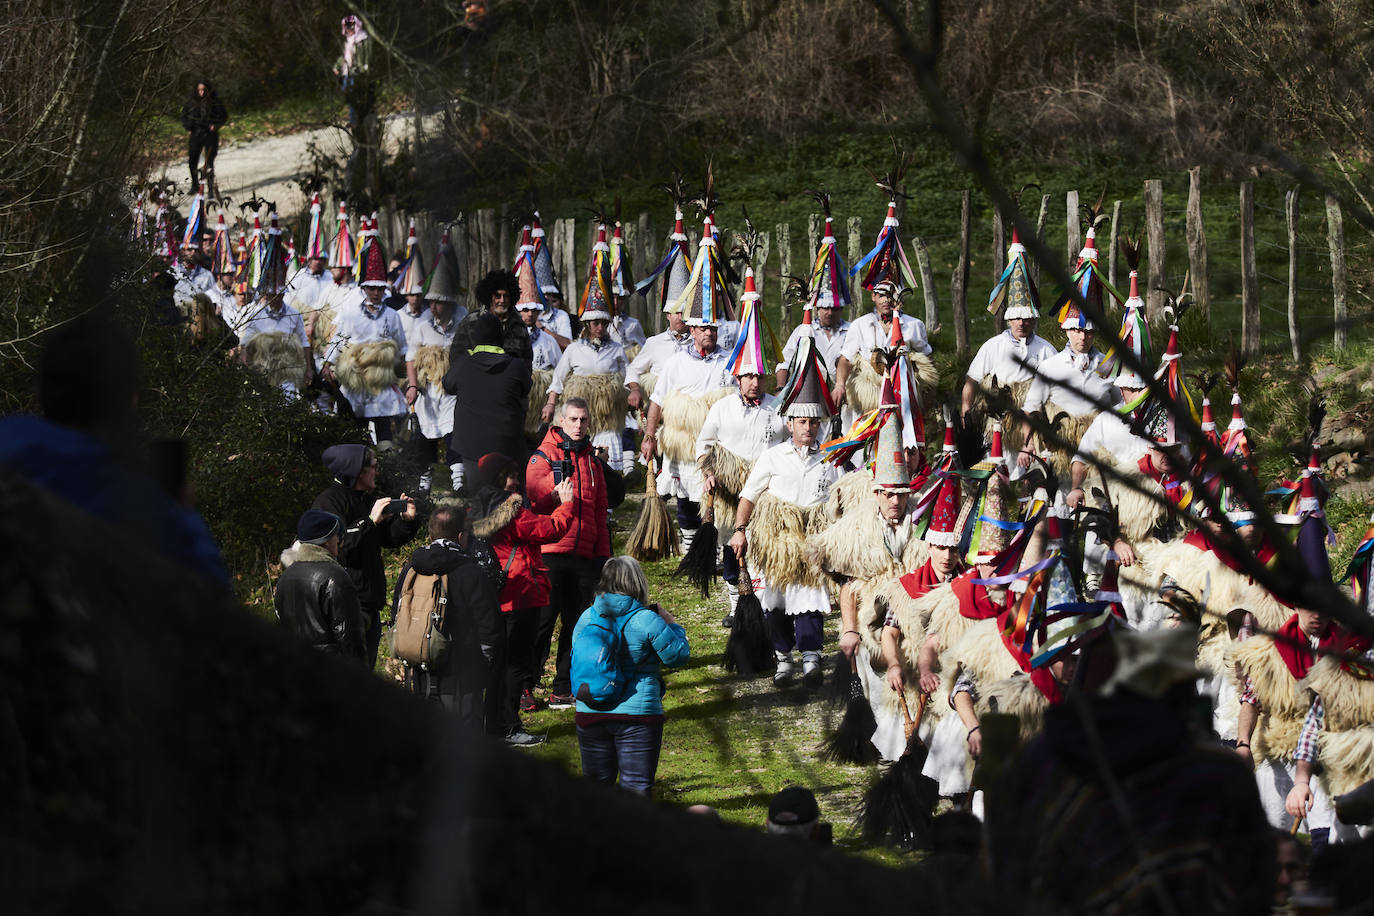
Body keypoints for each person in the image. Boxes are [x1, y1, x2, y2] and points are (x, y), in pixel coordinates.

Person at [0, 315, 230, 591]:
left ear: (38, 394)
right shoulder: (143, 506)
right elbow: (214, 598)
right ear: (130, 401)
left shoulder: (10, 447)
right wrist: (185, 513)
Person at [729, 330, 838, 690]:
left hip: (812, 539)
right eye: (801, 422)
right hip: (777, 541)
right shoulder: (773, 456)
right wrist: (740, 529)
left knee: (809, 598)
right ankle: (783, 659)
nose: (808, 428)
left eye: (813, 422)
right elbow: (749, 494)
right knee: (774, 600)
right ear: (789, 423)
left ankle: (811, 658)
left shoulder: (831, 458)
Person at [468, 453, 576, 743]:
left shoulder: (477, 506)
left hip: (495, 595)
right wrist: (566, 505)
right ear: (499, 477)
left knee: (497, 664)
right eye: (511, 475)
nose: (516, 481)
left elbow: (527, 518)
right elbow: (550, 529)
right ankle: (510, 727)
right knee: (516, 664)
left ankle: (492, 726)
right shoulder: (510, 508)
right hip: (521, 593)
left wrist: (549, 501)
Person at [695, 284, 787, 623]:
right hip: (728, 493)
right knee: (731, 549)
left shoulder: (778, 410)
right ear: (737, 376)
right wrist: (708, 473)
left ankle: (761, 603)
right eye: (747, 375)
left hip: (764, 494)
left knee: (762, 548)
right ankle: (736, 605)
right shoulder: (721, 409)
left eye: (759, 375)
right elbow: (703, 445)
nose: (753, 381)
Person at [571, 556, 689, 796]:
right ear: (637, 582)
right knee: (636, 789)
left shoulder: (587, 617)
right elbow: (678, 657)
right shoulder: (647, 619)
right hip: (637, 715)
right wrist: (673, 625)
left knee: (595, 791)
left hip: (590, 710)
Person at [525, 398, 611, 708]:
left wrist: (602, 556)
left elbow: (600, 511)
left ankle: (563, 688)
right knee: (541, 624)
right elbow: (533, 495)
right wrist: (556, 483)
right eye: (573, 419)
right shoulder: (544, 454)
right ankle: (524, 685)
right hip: (550, 551)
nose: (578, 425)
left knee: (576, 627)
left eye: (583, 420)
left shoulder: (592, 461)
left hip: (584, 556)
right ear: (561, 420)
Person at [391, 505, 500, 728]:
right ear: (461, 536)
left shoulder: (410, 569)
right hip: (462, 679)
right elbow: (490, 628)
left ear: (431, 534)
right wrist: (483, 668)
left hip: (417, 674)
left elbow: (397, 613)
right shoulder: (470, 572)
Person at [312, 444, 420, 666]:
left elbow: (389, 539)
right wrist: (369, 521)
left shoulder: (365, 499)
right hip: (346, 607)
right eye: (373, 466)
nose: (377, 472)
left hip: (371, 605)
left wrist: (405, 522)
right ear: (357, 471)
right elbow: (335, 546)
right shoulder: (329, 501)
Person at [321, 220, 416, 447]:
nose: (375, 292)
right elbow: (337, 339)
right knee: (356, 434)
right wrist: (326, 364)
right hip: (356, 382)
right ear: (363, 288)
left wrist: (411, 382)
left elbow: (404, 349)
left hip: (382, 382)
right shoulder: (351, 313)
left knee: (384, 433)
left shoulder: (392, 316)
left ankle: (384, 473)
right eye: (371, 288)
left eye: (380, 288)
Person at [542, 240, 630, 471]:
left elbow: (628, 376)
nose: (599, 327)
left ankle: (608, 499)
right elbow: (559, 379)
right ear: (587, 325)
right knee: (580, 455)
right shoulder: (574, 349)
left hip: (608, 412)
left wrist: (634, 394)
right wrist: (551, 404)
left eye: (603, 323)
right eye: (594, 323)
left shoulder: (616, 349)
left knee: (608, 454)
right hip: (582, 412)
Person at [444, 312, 532, 489]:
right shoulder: (515, 366)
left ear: (475, 338)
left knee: (480, 499)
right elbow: (526, 387)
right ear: (501, 339)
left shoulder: (464, 364)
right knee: (511, 498)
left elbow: (448, 385)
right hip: (508, 444)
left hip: (471, 447)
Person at [274, 509, 365, 663]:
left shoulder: (286, 576)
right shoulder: (335, 576)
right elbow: (348, 636)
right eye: (336, 534)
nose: (339, 540)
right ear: (325, 540)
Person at [407, 295, 461, 494]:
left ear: (448, 303)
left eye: (437, 303)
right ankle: (425, 478)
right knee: (424, 436)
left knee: (454, 432)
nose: (433, 307)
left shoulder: (460, 324)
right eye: (430, 303)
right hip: (428, 391)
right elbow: (411, 358)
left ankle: (458, 479)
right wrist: (413, 386)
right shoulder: (422, 327)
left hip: (451, 391)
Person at [456, 269, 533, 361]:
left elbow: (527, 358)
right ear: (489, 296)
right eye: (497, 296)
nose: (502, 300)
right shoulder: (471, 321)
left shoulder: (518, 325)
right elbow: (457, 354)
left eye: (506, 296)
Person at [180, 80, 227, 186]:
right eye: (199, 90)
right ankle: (195, 184)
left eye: (204, 90)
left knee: (209, 162)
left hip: (210, 135)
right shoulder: (191, 103)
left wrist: (215, 125)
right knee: (192, 160)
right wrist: (189, 126)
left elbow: (223, 116)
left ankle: (210, 187)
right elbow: (184, 116)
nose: (202, 92)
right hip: (196, 134)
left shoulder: (215, 102)